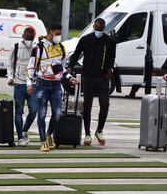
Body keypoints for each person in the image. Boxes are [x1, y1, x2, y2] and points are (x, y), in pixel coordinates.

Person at [27, 23, 77, 152]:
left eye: (60, 34)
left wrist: (69, 78)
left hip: (56, 85)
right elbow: (31, 66)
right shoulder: (38, 48)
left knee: (57, 114)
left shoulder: (61, 48)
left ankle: (49, 135)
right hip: (41, 84)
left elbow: (60, 68)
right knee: (42, 114)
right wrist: (29, 83)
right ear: (49, 33)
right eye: (56, 34)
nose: (58, 37)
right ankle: (43, 141)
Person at [68, 18, 116, 146]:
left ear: (104, 28)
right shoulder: (85, 39)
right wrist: (70, 66)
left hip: (103, 78)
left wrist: (109, 69)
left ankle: (99, 130)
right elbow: (76, 54)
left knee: (105, 104)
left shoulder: (110, 41)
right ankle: (87, 133)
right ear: (93, 27)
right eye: (96, 27)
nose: (98, 30)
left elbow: (112, 57)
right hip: (88, 77)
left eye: (101, 28)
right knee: (87, 106)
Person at [7, 27, 37, 147]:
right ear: (23, 36)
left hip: (33, 84)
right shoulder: (15, 47)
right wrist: (10, 77)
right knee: (18, 111)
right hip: (18, 84)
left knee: (33, 110)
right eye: (27, 37)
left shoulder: (36, 48)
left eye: (31, 38)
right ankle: (20, 137)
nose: (29, 40)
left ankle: (24, 130)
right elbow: (9, 65)